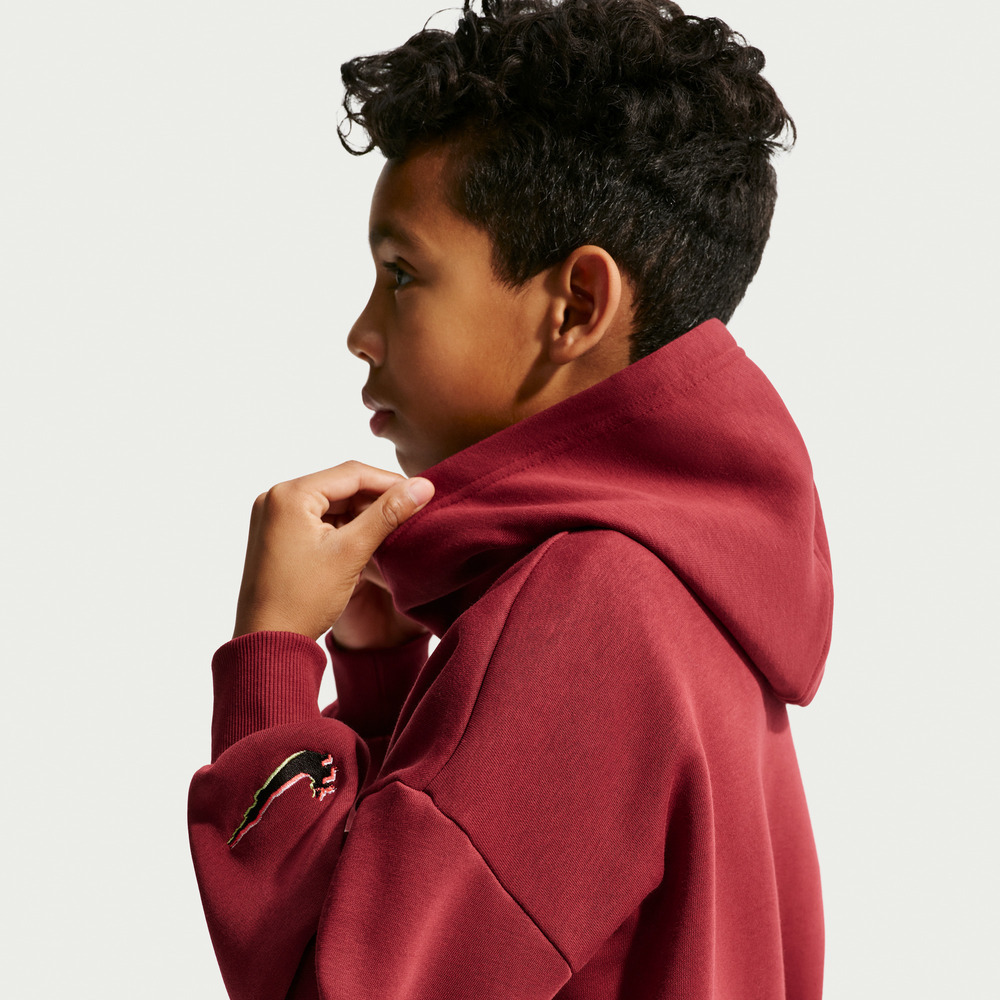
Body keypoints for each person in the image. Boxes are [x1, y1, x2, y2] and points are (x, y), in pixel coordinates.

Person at [187, 1, 833, 997]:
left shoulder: (589, 604)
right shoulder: (693, 587)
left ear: (576, 305)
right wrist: (381, 682)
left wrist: (273, 660)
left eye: (402, 274)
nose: (361, 332)